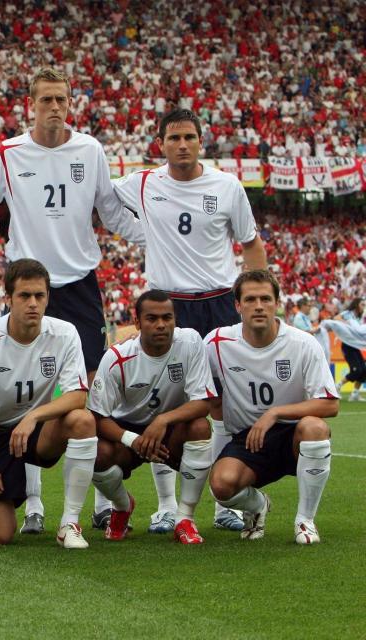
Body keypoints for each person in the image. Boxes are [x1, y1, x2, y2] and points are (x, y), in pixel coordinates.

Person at [0, 68, 143, 534]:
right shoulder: (7, 154)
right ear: (30, 104)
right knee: (21, 390)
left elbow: (110, 210)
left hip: (78, 284)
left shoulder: (89, 150)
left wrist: (152, 238)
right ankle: (32, 502)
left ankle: (96, 500)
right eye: (46, 100)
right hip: (27, 283)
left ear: (71, 103)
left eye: (62, 99)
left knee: (88, 395)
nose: (55, 107)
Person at [114, 108, 267, 533]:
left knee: (220, 404)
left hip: (218, 302)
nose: (182, 144)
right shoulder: (142, 183)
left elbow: (251, 244)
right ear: (160, 144)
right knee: (166, 403)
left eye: (189, 137)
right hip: (168, 306)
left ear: (202, 142)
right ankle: (165, 506)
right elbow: (100, 201)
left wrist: (262, 294)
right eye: (174, 138)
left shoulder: (227, 185)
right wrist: (142, 233)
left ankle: (224, 502)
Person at [0, 259, 96, 547]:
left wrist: (34, 417)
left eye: (39, 296)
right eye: (24, 296)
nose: (33, 303)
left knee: (82, 420)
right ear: (8, 299)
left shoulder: (64, 333)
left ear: (47, 298)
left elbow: (77, 395)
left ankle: (69, 523)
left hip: (37, 433)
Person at [206, 270, 339, 544]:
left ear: (276, 303)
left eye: (266, 299)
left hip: (294, 435)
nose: (258, 306)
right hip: (248, 439)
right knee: (221, 485)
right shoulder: (217, 343)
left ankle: (305, 521)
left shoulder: (303, 343)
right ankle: (257, 506)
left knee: (315, 427)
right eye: (251, 299)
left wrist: (275, 413)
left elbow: (330, 403)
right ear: (237, 305)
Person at [88, 290, 214, 544]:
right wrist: (132, 439)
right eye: (152, 318)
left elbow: (204, 402)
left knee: (200, 428)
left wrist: (163, 420)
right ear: (137, 323)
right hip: (127, 430)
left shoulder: (190, 342)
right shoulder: (117, 356)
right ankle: (122, 507)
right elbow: (97, 417)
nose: (161, 325)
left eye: (167, 318)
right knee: (95, 453)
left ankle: (185, 518)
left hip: (171, 429)